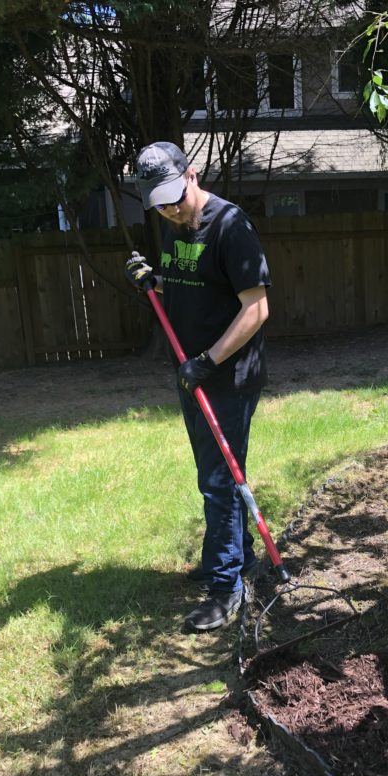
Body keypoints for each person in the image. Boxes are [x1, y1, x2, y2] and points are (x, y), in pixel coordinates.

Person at [126, 141, 271, 633]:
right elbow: (193, 283)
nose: (169, 209)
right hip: (193, 373)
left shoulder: (231, 227)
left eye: (174, 197)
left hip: (226, 375)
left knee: (218, 481)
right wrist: (154, 281)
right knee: (217, 476)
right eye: (159, 203)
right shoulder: (175, 227)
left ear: (193, 175)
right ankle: (240, 559)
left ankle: (225, 586)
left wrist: (208, 361)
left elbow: (255, 308)